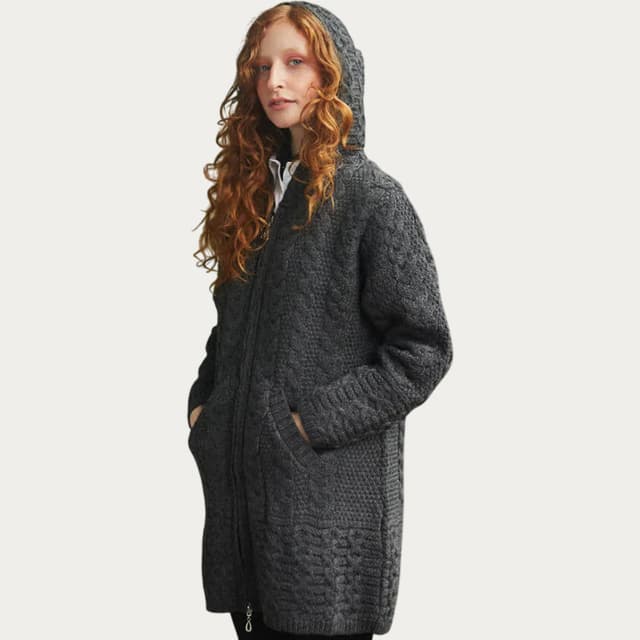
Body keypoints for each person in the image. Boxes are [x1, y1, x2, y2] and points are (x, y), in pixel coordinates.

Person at [187, 2, 453, 638]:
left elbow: (423, 349)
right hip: (242, 514)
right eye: (262, 67)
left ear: (334, 76)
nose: (274, 81)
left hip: (326, 519)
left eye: (295, 63)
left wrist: (307, 424)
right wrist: (206, 409)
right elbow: (231, 333)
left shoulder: (372, 199)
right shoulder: (255, 198)